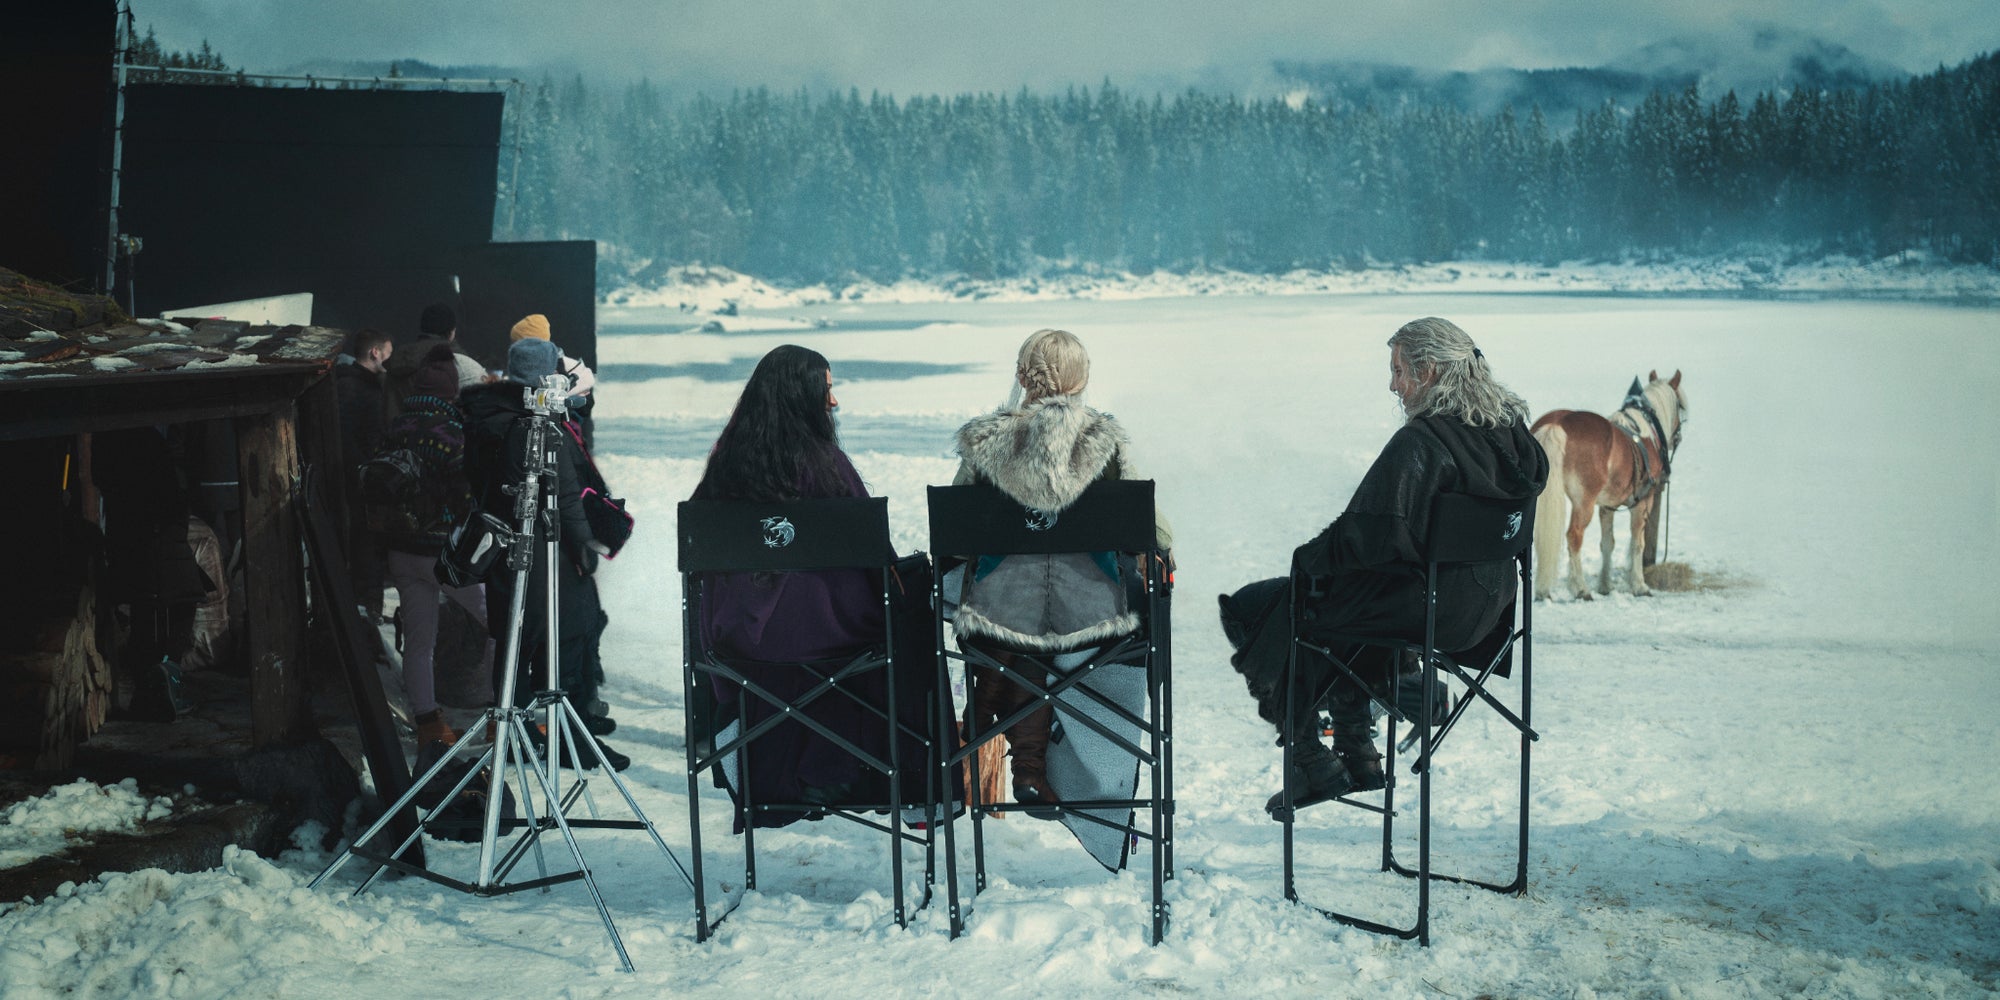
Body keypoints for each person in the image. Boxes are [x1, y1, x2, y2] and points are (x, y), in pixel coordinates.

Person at [1221, 317, 1548, 814]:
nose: (1392, 384)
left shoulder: (1423, 442)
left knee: (1283, 603)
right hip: (1488, 615)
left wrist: (1305, 561)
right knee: (1348, 601)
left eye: (1398, 371)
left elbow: (1366, 535)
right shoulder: (1515, 440)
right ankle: (1357, 751)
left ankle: (1312, 757)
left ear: (1430, 370)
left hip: (1426, 612)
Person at [690, 344, 937, 827]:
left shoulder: (726, 465)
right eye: (826, 390)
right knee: (909, 626)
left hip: (739, 646)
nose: (834, 403)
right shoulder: (826, 465)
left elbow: (700, 557)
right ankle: (913, 788)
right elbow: (874, 554)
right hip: (834, 642)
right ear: (803, 396)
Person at [946, 328, 1173, 809]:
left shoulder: (986, 440)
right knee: (1038, 634)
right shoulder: (1104, 442)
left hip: (997, 614)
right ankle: (1028, 767)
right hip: (1093, 617)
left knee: (1018, 633)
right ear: (1080, 377)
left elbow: (953, 532)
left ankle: (982, 709)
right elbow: (1148, 528)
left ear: (1023, 376)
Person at [462, 338, 627, 770]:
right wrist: (586, 548)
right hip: (546, 551)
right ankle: (570, 737)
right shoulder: (538, 426)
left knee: (514, 644)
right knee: (571, 637)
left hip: (503, 549)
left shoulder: (487, 415)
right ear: (546, 374)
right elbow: (567, 498)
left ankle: (513, 734)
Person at [376, 345, 492, 751]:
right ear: (451, 392)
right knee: (505, 626)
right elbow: (468, 496)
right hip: (446, 556)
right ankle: (503, 717)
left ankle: (429, 724)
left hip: (401, 552)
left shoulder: (394, 426)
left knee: (419, 642)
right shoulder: (453, 432)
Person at [335, 328, 391, 620]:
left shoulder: (352, 384)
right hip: (361, 479)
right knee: (366, 542)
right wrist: (365, 468)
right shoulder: (358, 388)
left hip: (359, 477)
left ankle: (366, 604)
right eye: (388, 355)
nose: (389, 362)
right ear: (375, 352)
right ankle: (366, 607)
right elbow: (349, 437)